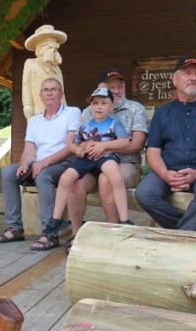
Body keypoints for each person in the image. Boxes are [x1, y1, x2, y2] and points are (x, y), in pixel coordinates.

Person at [135, 54, 196, 231]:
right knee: (144, 193)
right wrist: (165, 174)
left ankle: (180, 235)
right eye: (187, 73)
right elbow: (153, 151)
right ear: (175, 80)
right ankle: (186, 231)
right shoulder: (162, 113)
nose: (193, 78)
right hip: (168, 171)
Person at [0, 78, 81, 250]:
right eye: (45, 90)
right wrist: (25, 164)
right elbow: (28, 150)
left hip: (64, 163)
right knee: (9, 173)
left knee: (43, 174)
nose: (49, 93)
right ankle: (15, 227)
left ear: (61, 94)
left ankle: (50, 233)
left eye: (53, 89)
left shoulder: (72, 112)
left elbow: (70, 147)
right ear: (40, 95)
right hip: (39, 163)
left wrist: (43, 163)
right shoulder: (34, 121)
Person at [65, 67, 148, 252]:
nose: (117, 90)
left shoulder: (135, 108)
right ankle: (75, 235)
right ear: (101, 88)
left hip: (126, 163)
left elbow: (137, 144)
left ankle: (115, 232)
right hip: (91, 163)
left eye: (120, 86)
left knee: (107, 179)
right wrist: (88, 147)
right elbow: (77, 142)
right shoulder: (89, 111)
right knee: (75, 181)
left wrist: (105, 146)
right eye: (111, 87)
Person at [46, 87, 132, 245]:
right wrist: (78, 150)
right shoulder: (85, 125)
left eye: (104, 103)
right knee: (65, 179)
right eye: (95, 104)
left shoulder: (114, 123)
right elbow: (74, 143)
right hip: (86, 158)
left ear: (111, 107)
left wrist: (104, 146)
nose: (99, 107)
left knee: (116, 177)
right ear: (91, 107)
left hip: (105, 156)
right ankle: (56, 218)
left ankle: (124, 219)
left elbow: (125, 141)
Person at [22, 25, 68, 120]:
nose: (55, 49)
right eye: (50, 46)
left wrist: (65, 111)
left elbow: (61, 93)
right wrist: (27, 104)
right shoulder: (31, 63)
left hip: (58, 114)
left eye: (56, 46)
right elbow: (26, 85)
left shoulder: (57, 69)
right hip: (39, 111)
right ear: (40, 49)